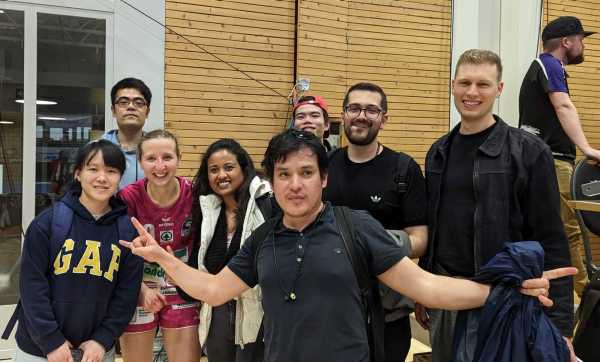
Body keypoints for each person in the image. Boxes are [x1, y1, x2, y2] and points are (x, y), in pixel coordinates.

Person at [120, 128, 575, 362]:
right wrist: (163, 259)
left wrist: (501, 291)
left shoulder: (355, 227)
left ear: (324, 179)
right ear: (271, 180)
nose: (295, 185)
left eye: (306, 173)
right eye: (284, 174)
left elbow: (428, 288)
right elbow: (215, 291)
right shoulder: (263, 238)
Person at [416, 49, 575, 361]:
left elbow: (552, 237)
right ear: (452, 86)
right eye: (464, 83)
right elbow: (436, 227)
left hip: (503, 299)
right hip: (446, 296)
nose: (472, 92)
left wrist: (561, 326)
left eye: (483, 84)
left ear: (499, 89)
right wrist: (425, 288)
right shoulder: (438, 152)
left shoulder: (529, 152)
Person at [323, 82, 427, 361]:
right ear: (343, 115)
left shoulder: (404, 169)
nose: (361, 115)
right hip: (330, 309)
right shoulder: (324, 168)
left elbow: (420, 240)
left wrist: (369, 244)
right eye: (354, 108)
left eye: (371, 110)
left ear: (384, 119)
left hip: (387, 311)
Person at [15, 139, 143, 361]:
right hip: (39, 350)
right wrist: (51, 340)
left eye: (111, 171)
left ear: (120, 177)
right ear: (77, 174)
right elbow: (31, 286)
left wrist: (103, 339)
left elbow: (127, 294)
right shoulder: (47, 223)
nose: (102, 178)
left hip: (95, 352)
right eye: (93, 169)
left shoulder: (128, 231)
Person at [519, 16, 598, 297]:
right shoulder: (549, 64)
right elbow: (563, 105)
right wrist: (587, 148)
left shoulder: (548, 67)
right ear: (566, 41)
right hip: (550, 160)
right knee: (570, 231)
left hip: (544, 159)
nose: (583, 45)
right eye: (581, 39)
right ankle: (587, 298)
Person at [180, 138, 269, 362]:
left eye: (229, 167)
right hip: (216, 311)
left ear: (244, 169)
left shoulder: (266, 203)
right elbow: (199, 259)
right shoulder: (207, 210)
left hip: (258, 309)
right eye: (214, 170)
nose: (221, 175)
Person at [118, 130, 200, 362]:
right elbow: (119, 255)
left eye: (167, 157)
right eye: (151, 158)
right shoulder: (128, 197)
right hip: (140, 286)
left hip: (181, 286)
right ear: (141, 161)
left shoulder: (195, 194)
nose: (160, 166)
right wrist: (141, 290)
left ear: (179, 158)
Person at [103, 77, 152, 189]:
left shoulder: (157, 150)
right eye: (123, 102)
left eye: (138, 103)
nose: (131, 107)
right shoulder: (96, 149)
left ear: (147, 112)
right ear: (113, 111)